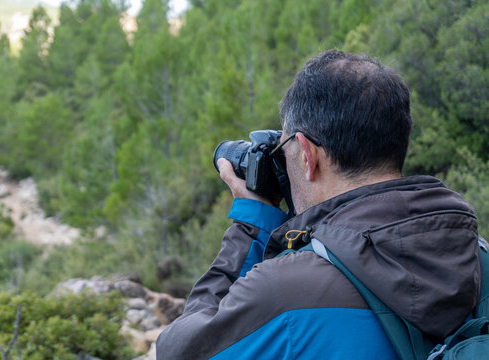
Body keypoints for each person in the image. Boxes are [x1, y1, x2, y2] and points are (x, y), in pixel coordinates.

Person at [156, 50, 481, 359]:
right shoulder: (478, 256)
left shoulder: (286, 292)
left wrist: (251, 225)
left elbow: (178, 352)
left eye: (284, 148)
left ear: (307, 155)